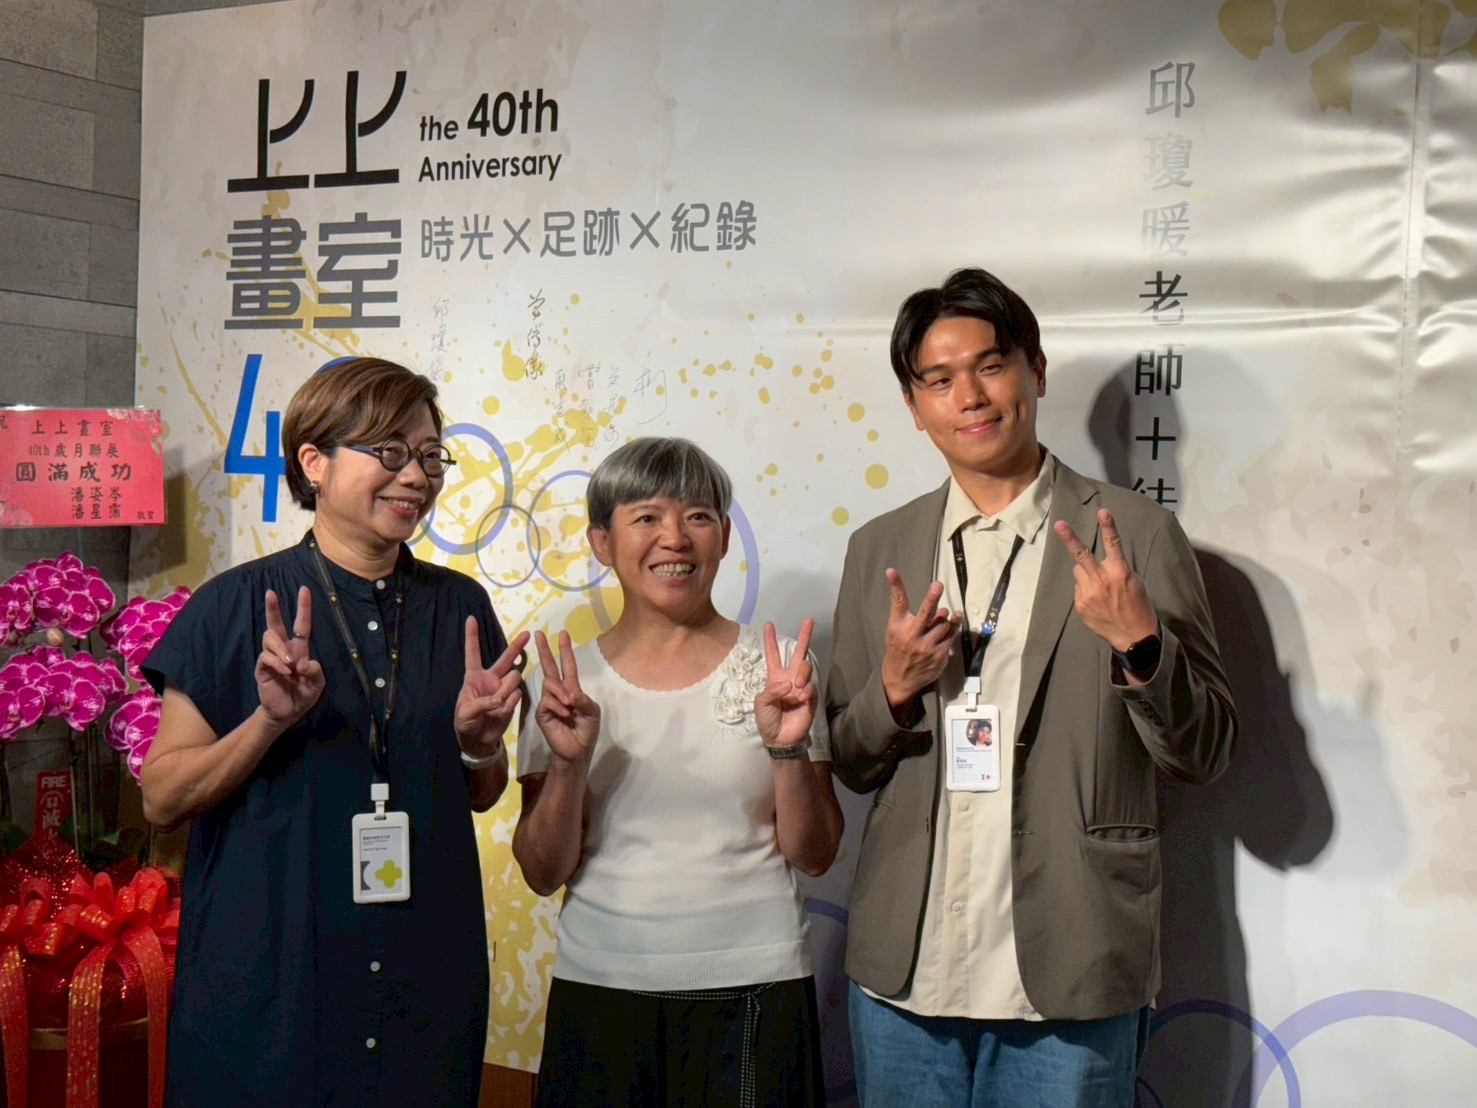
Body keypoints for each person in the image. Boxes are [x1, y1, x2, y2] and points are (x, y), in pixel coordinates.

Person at [826, 268, 1237, 1107]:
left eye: (990, 366)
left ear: (1034, 371)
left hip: (1070, 967)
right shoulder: (879, 547)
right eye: (938, 380)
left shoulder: (1136, 534)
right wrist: (892, 691)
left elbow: (1204, 752)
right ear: (913, 406)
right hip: (906, 972)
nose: (969, 397)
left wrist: (1141, 647)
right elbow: (850, 759)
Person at [140, 358, 528, 1107]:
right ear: (313, 462)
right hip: (269, 985)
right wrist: (267, 721)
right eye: (389, 451)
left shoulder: (460, 607)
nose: (414, 476)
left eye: (429, 455)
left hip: (423, 975)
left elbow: (482, 792)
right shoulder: (232, 606)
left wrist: (478, 744)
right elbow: (162, 798)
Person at [513, 436, 843, 1108]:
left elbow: (814, 854)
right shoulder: (565, 681)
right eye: (646, 517)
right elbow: (543, 872)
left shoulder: (779, 669)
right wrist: (569, 766)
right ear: (602, 543)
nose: (675, 539)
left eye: (697, 516)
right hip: (600, 986)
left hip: (756, 986)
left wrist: (785, 752)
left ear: (724, 537)